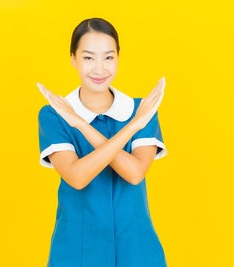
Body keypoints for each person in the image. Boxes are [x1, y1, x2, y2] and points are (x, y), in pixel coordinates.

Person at [37, 17, 167, 267]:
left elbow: (135, 173)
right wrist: (129, 128)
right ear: (73, 59)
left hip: (137, 250)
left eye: (108, 57)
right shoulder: (54, 114)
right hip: (78, 251)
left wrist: (84, 125)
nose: (99, 69)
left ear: (118, 57)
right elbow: (77, 177)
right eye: (88, 58)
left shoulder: (141, 110)